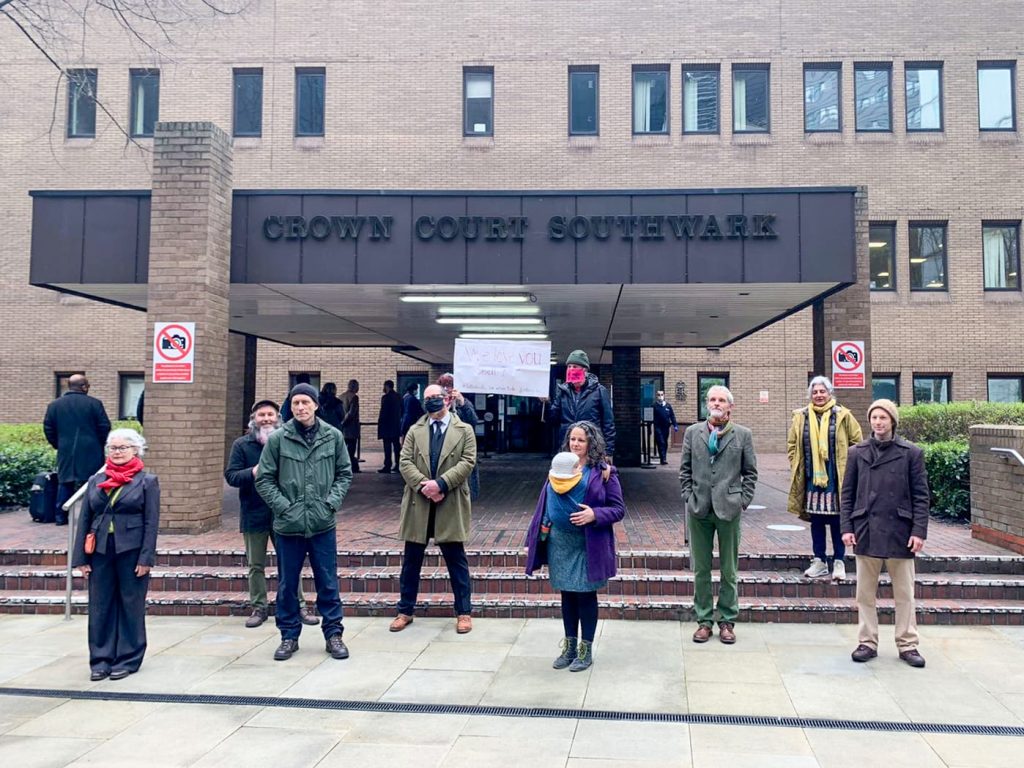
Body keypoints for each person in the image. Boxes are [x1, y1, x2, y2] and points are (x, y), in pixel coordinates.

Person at [256, 382, 353, 662]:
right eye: (295, 403)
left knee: (328, 581)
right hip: (288, 526)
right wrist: (283, 507)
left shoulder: (332, 436)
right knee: (287, 584)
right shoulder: (278, 439)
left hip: (322, 524)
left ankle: (333, 634)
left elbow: (344, 474)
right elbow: (264, 479)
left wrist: (330, 503)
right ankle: (288, 636)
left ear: (315, 405)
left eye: (305, 402)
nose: (300, 407)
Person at [525, 423, 625, 672]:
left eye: (581, 440)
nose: (576, 444)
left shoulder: (603, 472)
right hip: (560, 542)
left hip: (586, 544)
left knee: (585, 595)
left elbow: (618, 508)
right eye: (572, 439)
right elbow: (545, 500)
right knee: (567, 594)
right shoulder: (558, 467)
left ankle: (585, 649)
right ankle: (569, 647)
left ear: (591, 443)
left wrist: (595, 514)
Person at [841, 399, 930, 668]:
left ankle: (907, 643)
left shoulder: (911, 453)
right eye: (874, 418)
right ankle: (867, 642)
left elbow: (921, 496)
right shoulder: (857, 452)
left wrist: (919, 531)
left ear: (892, 421)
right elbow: (847, 495)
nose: (878, 422)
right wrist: (846, 527)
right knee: (864, 594)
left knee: (904, 594)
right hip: (866, 529)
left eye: (883, 417)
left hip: (900, 532)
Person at [71, 428, 158, 681]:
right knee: (100, 605)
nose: (117, 452)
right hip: (99, 550)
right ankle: (100, 659)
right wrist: (80, 558)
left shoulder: (147, 481)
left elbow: (151, 523)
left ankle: (128, 658)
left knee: (131, 604)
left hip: (131, 550)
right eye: (113, 448)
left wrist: (146, 558)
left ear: (135, 450)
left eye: (122, 448)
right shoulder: (95, 481)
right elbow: (85, 518)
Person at [224, 399, 319, 629]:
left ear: (278, 418)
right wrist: (253, 472)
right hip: (253, 513)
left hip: (283, 513)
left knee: (290, 563)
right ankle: (259, 606)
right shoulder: (242, 445)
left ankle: (299, 605)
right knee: (255, 564)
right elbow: (232, 476)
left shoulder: (286, 442)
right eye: (261, 415)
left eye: (270, 415)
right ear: (253, 419)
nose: (266, 419)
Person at [391, 384, 477, 634]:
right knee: (411, 562)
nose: (431, 402)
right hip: (420, 501)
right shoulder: (414, 430)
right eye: (426, 398)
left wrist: (441, 484)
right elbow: (404, 461)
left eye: (435, 397)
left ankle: (464, 612)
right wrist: (424, 486)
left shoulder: (465, 430)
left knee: (456, 560)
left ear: (447, 400)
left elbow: (468, 461)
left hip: (449, 499)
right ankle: (405, 610)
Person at [679, 385, 758, 645]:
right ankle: (703, 621)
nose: (716, 403)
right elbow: (684, 471)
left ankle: (726, 620)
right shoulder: (693, 433)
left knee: (729, 570)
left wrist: (742, 501)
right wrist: (689, 497)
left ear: (729, 406)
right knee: (701, 569)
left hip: (729, 508)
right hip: (699, 509)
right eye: (712, 399)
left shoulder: (743, 435)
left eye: (721, 400)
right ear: (706, 403)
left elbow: (750, 472)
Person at [787, 376, 863, 581]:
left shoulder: (844, 415)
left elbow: (857, 442)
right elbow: (792, 444)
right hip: (812, 477)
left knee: (838, 519)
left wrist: (852, 469)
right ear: (810, 395)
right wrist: (796, 463)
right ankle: (819, 560)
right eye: (815, 392)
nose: (819, 395)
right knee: (816, 520)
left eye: (822, 391)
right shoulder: (801, 416)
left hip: (837, 477)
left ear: (830, 393)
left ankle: (839, 561)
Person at [43, 374, 112, 526]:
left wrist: (58, 444)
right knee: (92, 482)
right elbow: (104, 426)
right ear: (84, 387)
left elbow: (48, 428)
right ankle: (91, 516)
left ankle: (61, 516)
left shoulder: (54, 405)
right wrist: (100, 443)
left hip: (66, 450)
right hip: (91, 449)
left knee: (65, 482)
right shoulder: (94, 404)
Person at [543, 350, 616, 461]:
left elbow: (608, 423)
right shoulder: (562, 392)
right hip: (568, 447)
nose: (571, 369)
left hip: (592, 449)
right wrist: (547, 403)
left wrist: (608, 452)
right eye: (569, 366)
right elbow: (553, 419)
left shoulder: (599, 391)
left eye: (575, 366)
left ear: (584, 370)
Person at [438, 372, 481, 500]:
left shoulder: (464, 403)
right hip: (443, 451)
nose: (446, 389)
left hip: (460, 451)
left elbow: (473, 420)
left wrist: (462, 402)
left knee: (464, 490)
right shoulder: (438, 403)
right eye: (443, 386)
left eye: (449, 386)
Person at [377, 379, 403, 474]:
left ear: (387, 386)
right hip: (396, 425)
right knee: (396, 446)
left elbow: (383, 412)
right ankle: (398, 465)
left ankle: (387, 466)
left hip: (387, 426)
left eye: (384, 386)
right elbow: (402, 410)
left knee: (387, 447)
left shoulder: (385, 398)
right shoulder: (399, 397)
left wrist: (380, 424)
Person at [340, 379, 361, 472]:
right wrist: (344, 422)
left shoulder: (341, 397)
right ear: (355, 387)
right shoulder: (354, 397)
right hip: (351, 427)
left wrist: (341, 423)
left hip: (342, 428)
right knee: (351, 450)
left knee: (343, 449)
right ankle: (351, 468)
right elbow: (352, 413)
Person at [653, 390, 678, 465]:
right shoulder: (654, 406)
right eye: (658, 395)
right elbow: (650, 417)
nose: (660, 396)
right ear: (656, 396)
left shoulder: (668, 406)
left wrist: (675, 425)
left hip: (666, 427)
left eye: (661, 394)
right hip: (657, 427)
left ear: (664, 395)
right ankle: (663, 458)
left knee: (665, 442)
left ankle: (663, 458)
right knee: (661, 442)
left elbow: (672, 416)